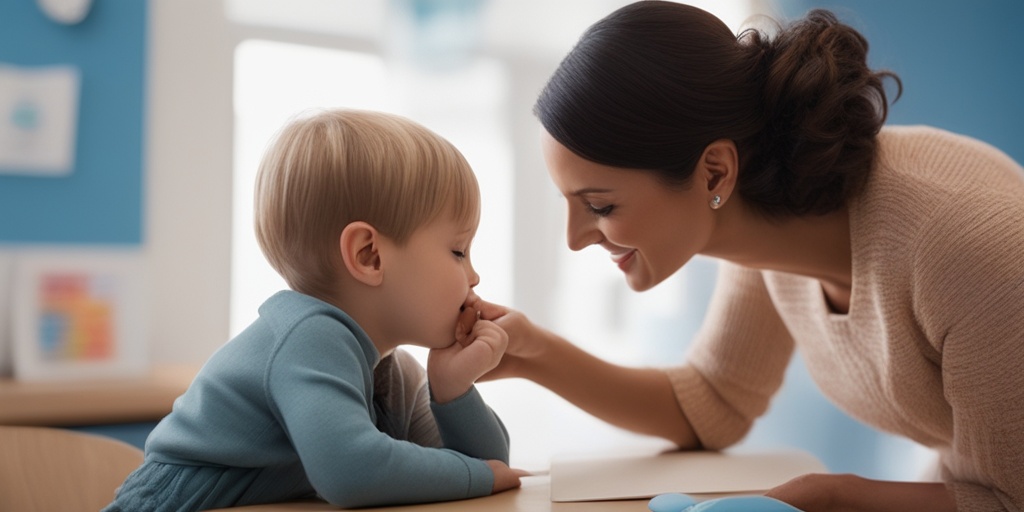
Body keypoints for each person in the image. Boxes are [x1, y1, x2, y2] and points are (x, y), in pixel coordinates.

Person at [479, 2, 1024, 511]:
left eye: (599, 204)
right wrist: (533, 352)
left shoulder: (963, 250)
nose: (576, 238)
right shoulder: (767, 224)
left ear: (715, 171)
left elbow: (1008, 498)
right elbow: (713, 403)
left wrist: (830, 496)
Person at [104, 109, 522, 511]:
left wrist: (454, 391)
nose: (473, 276)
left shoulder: (393, 371)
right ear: (370, 256)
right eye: (458, 250)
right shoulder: (308, 338)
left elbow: (492, 466)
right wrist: (478, 476)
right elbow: (354, 472)